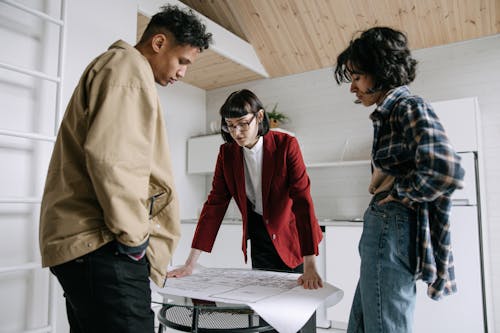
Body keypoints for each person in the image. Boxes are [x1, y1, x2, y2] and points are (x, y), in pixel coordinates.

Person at [38, 5, 212, 333]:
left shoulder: (120, 69)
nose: (182, 73)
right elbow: (115, 160)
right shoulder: (127, 69)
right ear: (159, 43)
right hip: (103, 244)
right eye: (182, 61)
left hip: (89, 245)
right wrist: (134, 243)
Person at [334, 27, 465, 333]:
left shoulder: (408, 106)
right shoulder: (390, 111)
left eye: (356, 77)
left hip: (390, 224)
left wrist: (401, 191)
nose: (352, 87)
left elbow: (446, 169)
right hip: (385, 223)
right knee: (363, 322)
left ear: (380, 71)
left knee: (383, 326)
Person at [168, 89, 323, 331]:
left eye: (242, 124)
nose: (236, 133)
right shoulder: (227, 154)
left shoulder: (285, 145)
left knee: (297, 314)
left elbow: (302, 200)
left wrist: (310, 263)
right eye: (230, 126)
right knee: (266, 312)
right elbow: (215, 205)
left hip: (292, 237)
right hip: (259, 235)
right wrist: (190, 263)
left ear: (259, 117)